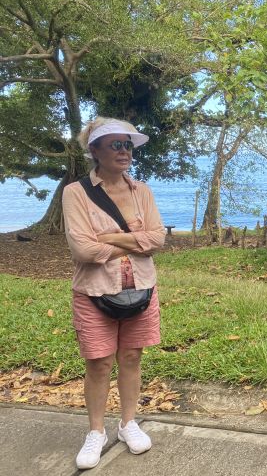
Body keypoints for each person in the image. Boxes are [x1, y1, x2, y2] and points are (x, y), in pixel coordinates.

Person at [62, 117, 166, 470]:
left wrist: (106, 238)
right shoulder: (75, 192)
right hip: (94, 291)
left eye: (127, 144)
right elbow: (83, 251)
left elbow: (157, 240)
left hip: (141, 287)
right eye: (115, 145)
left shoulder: (143, 192)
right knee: (99, 363)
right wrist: (135, 242)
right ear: (95, 150)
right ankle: (96, 431)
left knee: (132, 357)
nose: (124, 151)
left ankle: (128, 423)